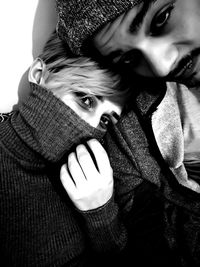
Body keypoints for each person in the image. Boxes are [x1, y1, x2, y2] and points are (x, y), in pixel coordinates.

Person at [56, 0, 200, 266]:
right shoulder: (129, 133)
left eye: (161, 18)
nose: (161, 66)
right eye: (129, 58)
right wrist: (101, 215)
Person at [0, 31, 130, 267]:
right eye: (86, 100)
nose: (91, 128)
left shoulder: (100, 175)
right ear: (39, 75)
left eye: (105, 121)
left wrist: (101, 213)